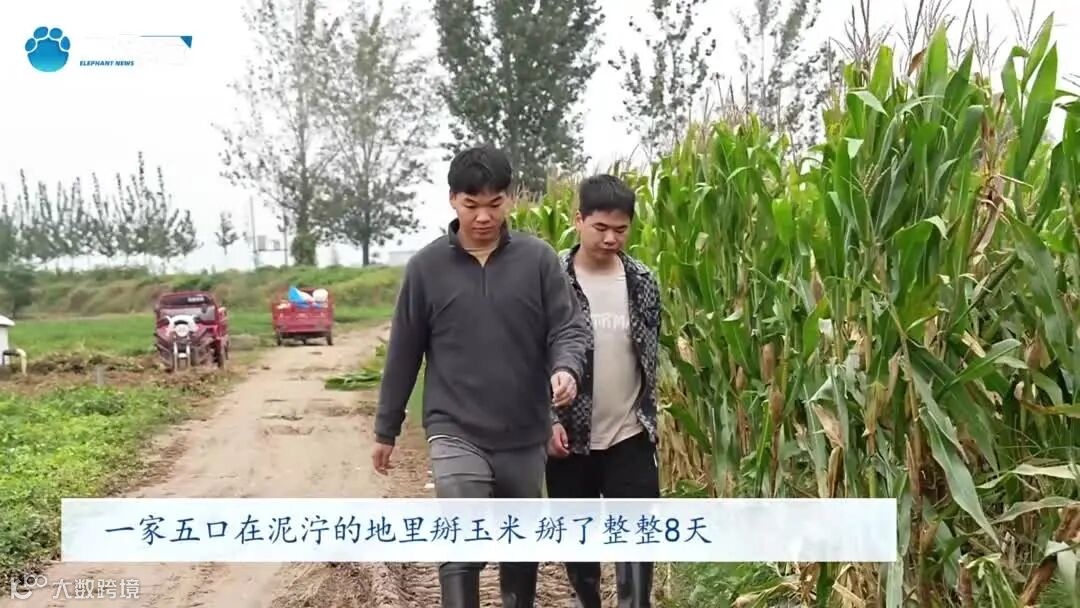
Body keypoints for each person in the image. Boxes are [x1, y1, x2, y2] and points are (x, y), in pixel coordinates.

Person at [371, 144, 591, 608]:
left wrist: (566, 368)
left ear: (509, 199)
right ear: (453, 199)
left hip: (524, 430)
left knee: (519, 543)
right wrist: (386, 428)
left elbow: (567, 328)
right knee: (462, 536)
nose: (484, 217)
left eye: (495, 203)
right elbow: (404, 351)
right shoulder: (426, 269)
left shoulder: (538, 261)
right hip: (455, 427)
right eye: (472, 205)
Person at [545, 174, 662, 608]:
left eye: (621, 229)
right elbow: (528, 354)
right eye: (600, 228)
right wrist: (545, 420)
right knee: (580, 555)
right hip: (567, 439)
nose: (611, 238)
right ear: (578, 220)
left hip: (629, 434)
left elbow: (648, 354)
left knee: (637, 549)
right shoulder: (550, 279)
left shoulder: (642, 281)